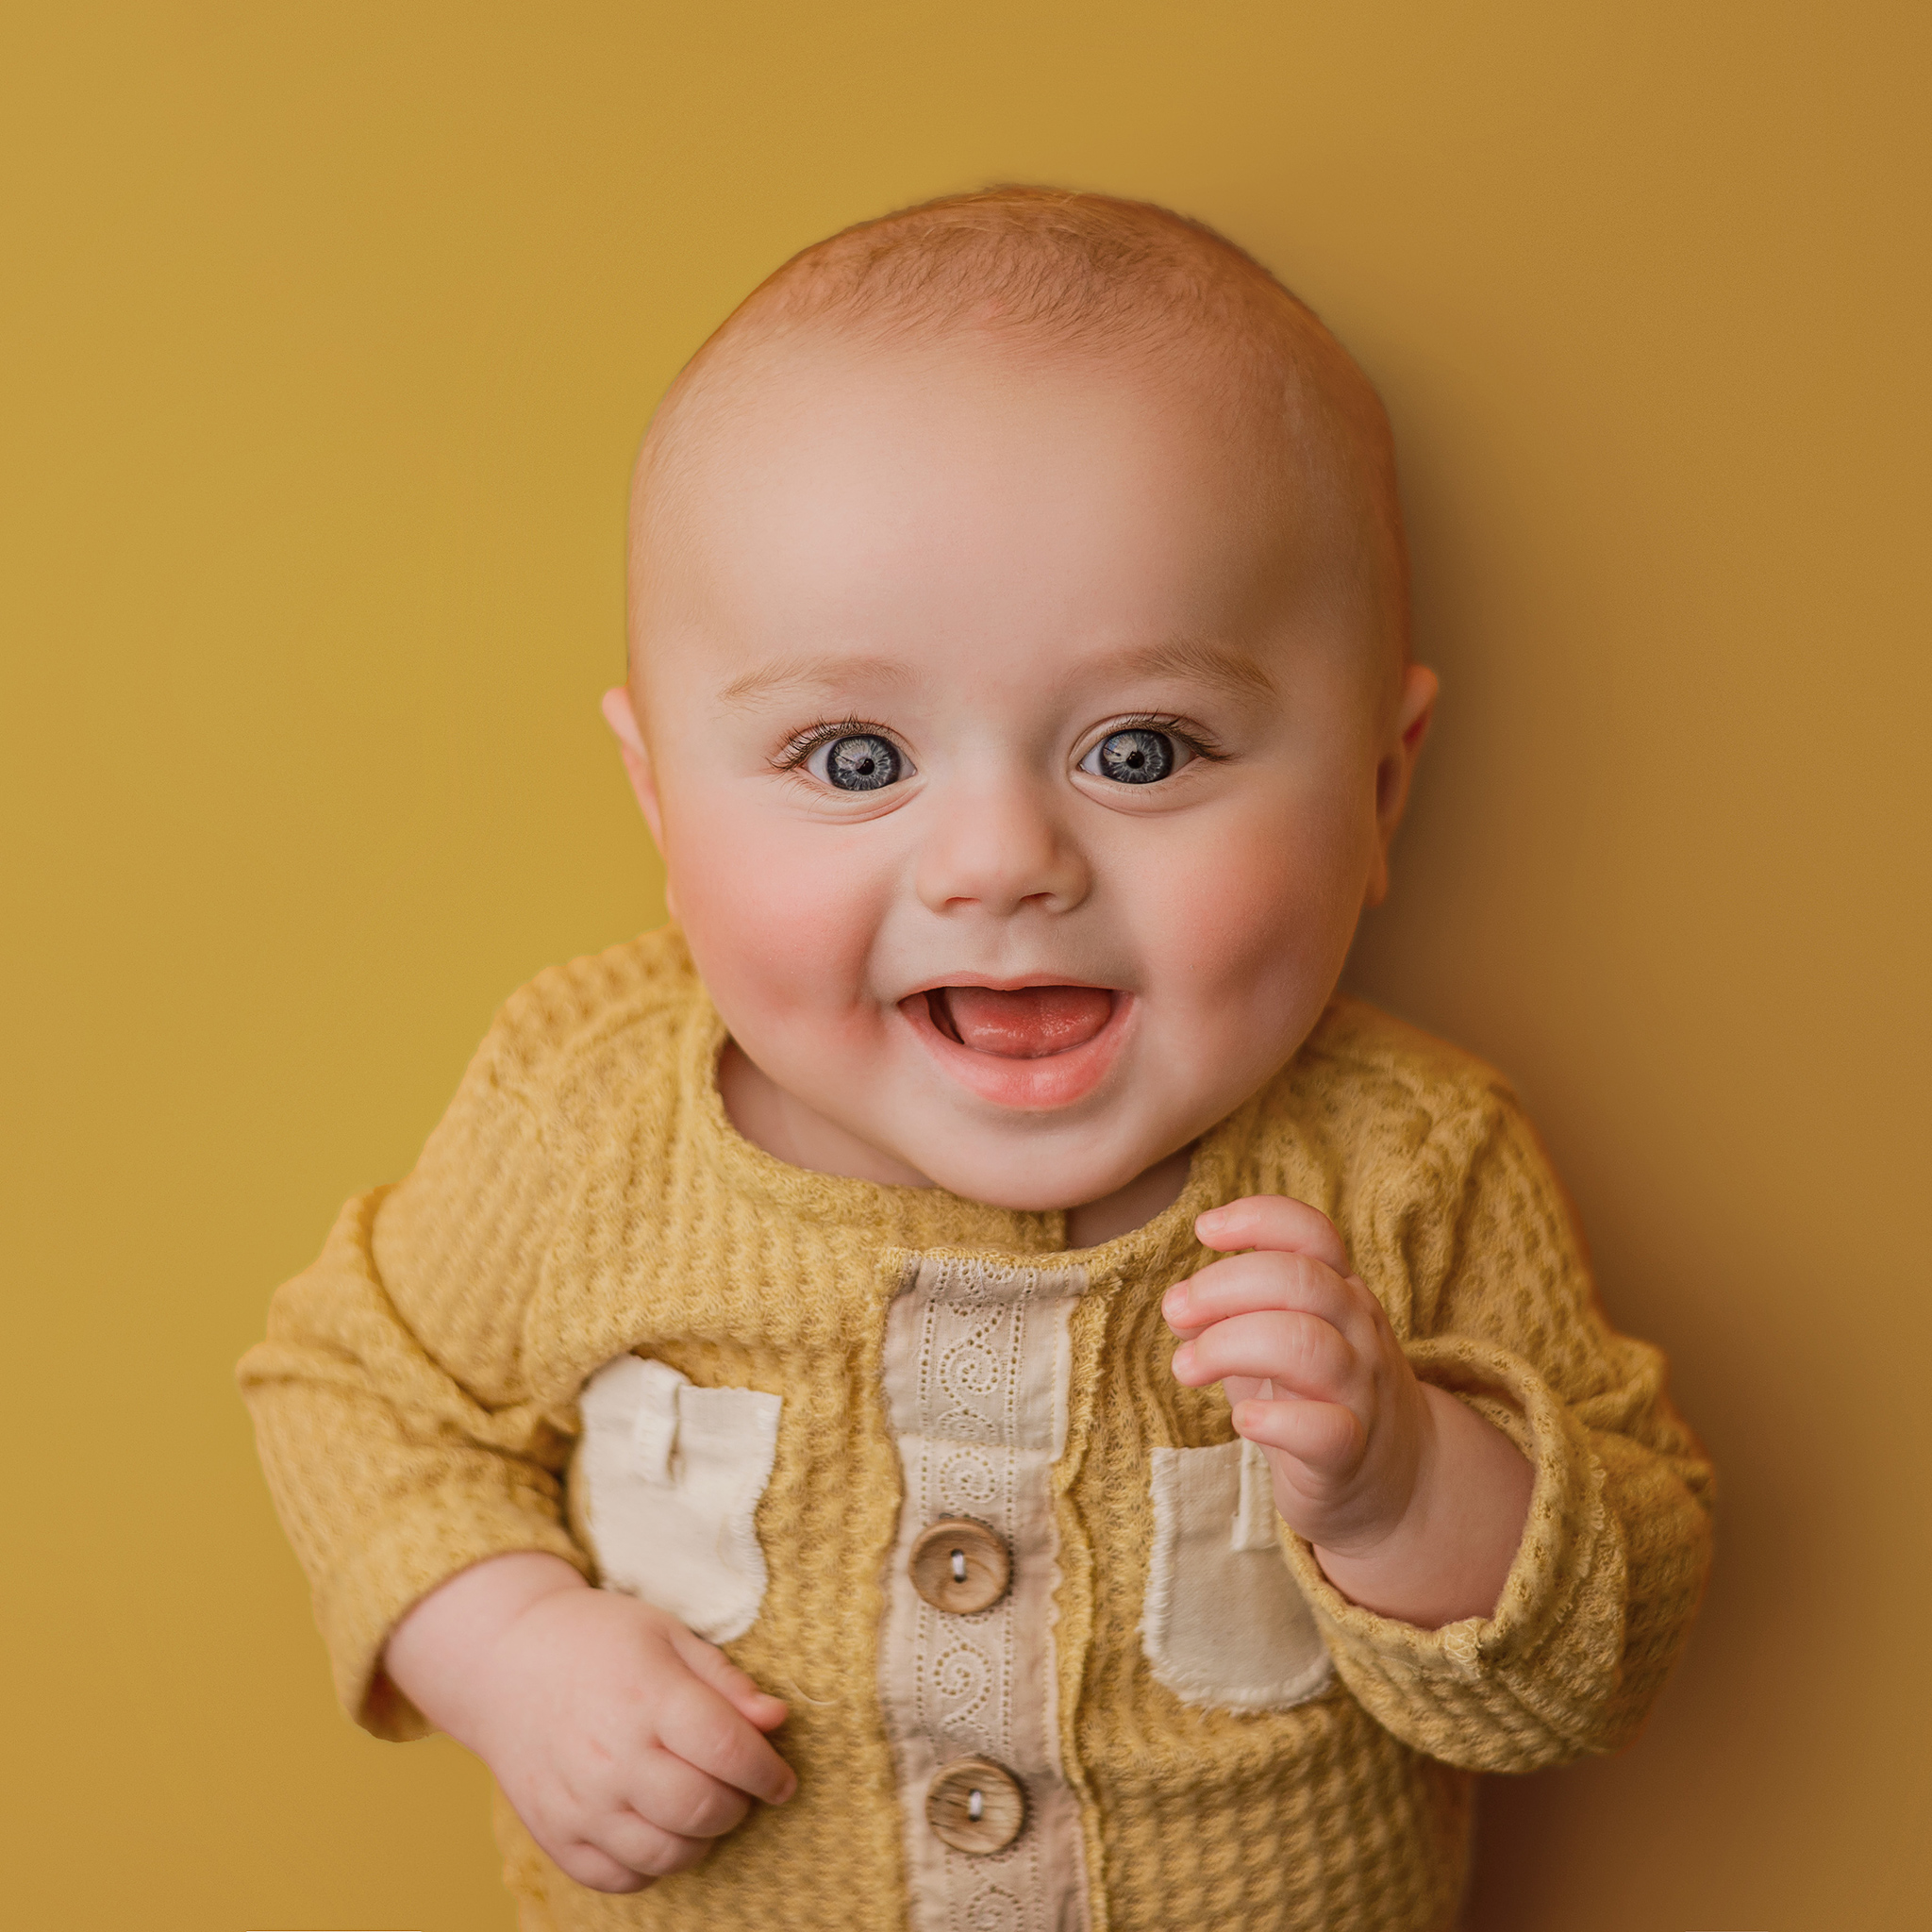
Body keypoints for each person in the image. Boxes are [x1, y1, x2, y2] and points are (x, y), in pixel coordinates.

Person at [240, 186, 1713, 1932]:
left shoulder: (1408, 1161)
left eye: (1143, 750)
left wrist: (1407, 1487)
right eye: (856, 758)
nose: (1002, 860)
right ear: (659, 801)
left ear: (1378, 790)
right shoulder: (585, 1109)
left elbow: (1594, 1662)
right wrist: (507, 1646)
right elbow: (352, 1390)